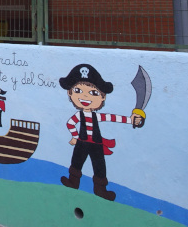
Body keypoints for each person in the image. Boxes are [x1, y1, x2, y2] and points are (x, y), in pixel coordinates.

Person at [59, 63, 144, 201]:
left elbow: (113, 118)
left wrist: (131, 120)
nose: (84, 96)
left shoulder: (97, 116)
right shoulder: (78, 115)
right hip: (81, 143)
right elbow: (70, 123)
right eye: (78, 90)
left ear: (102, 97)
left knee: (99, 166)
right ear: (70, 92)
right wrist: (75, 136)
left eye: (93, 93)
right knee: (76, 162)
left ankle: (100, 190)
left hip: (96, 145)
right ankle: (73, 182)